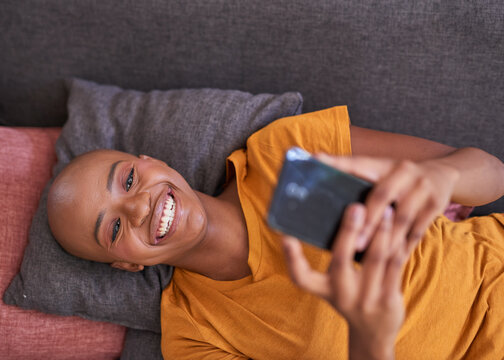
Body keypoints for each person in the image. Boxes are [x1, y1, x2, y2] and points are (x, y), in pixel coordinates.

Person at [47, 106, 504, 359]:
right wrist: (372, 342)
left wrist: (439, 178)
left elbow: (491, 174)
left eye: (127, 180)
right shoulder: (195, 338)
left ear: (151, 161)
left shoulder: (280, 153)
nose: (139, 205)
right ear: (127, 263)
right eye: (114, 228)